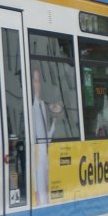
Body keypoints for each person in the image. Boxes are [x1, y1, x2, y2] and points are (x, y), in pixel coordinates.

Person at [31, 68, 60, 206]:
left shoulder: (42, 105)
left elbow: (46, 139)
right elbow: (34, 140)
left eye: (39, 81)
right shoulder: (31, 107)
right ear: (31, 83)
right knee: (40, 196)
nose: (38, 85)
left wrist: (54, 121)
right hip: (37, 156)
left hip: (45, 155)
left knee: (46, 195)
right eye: (35, 81)